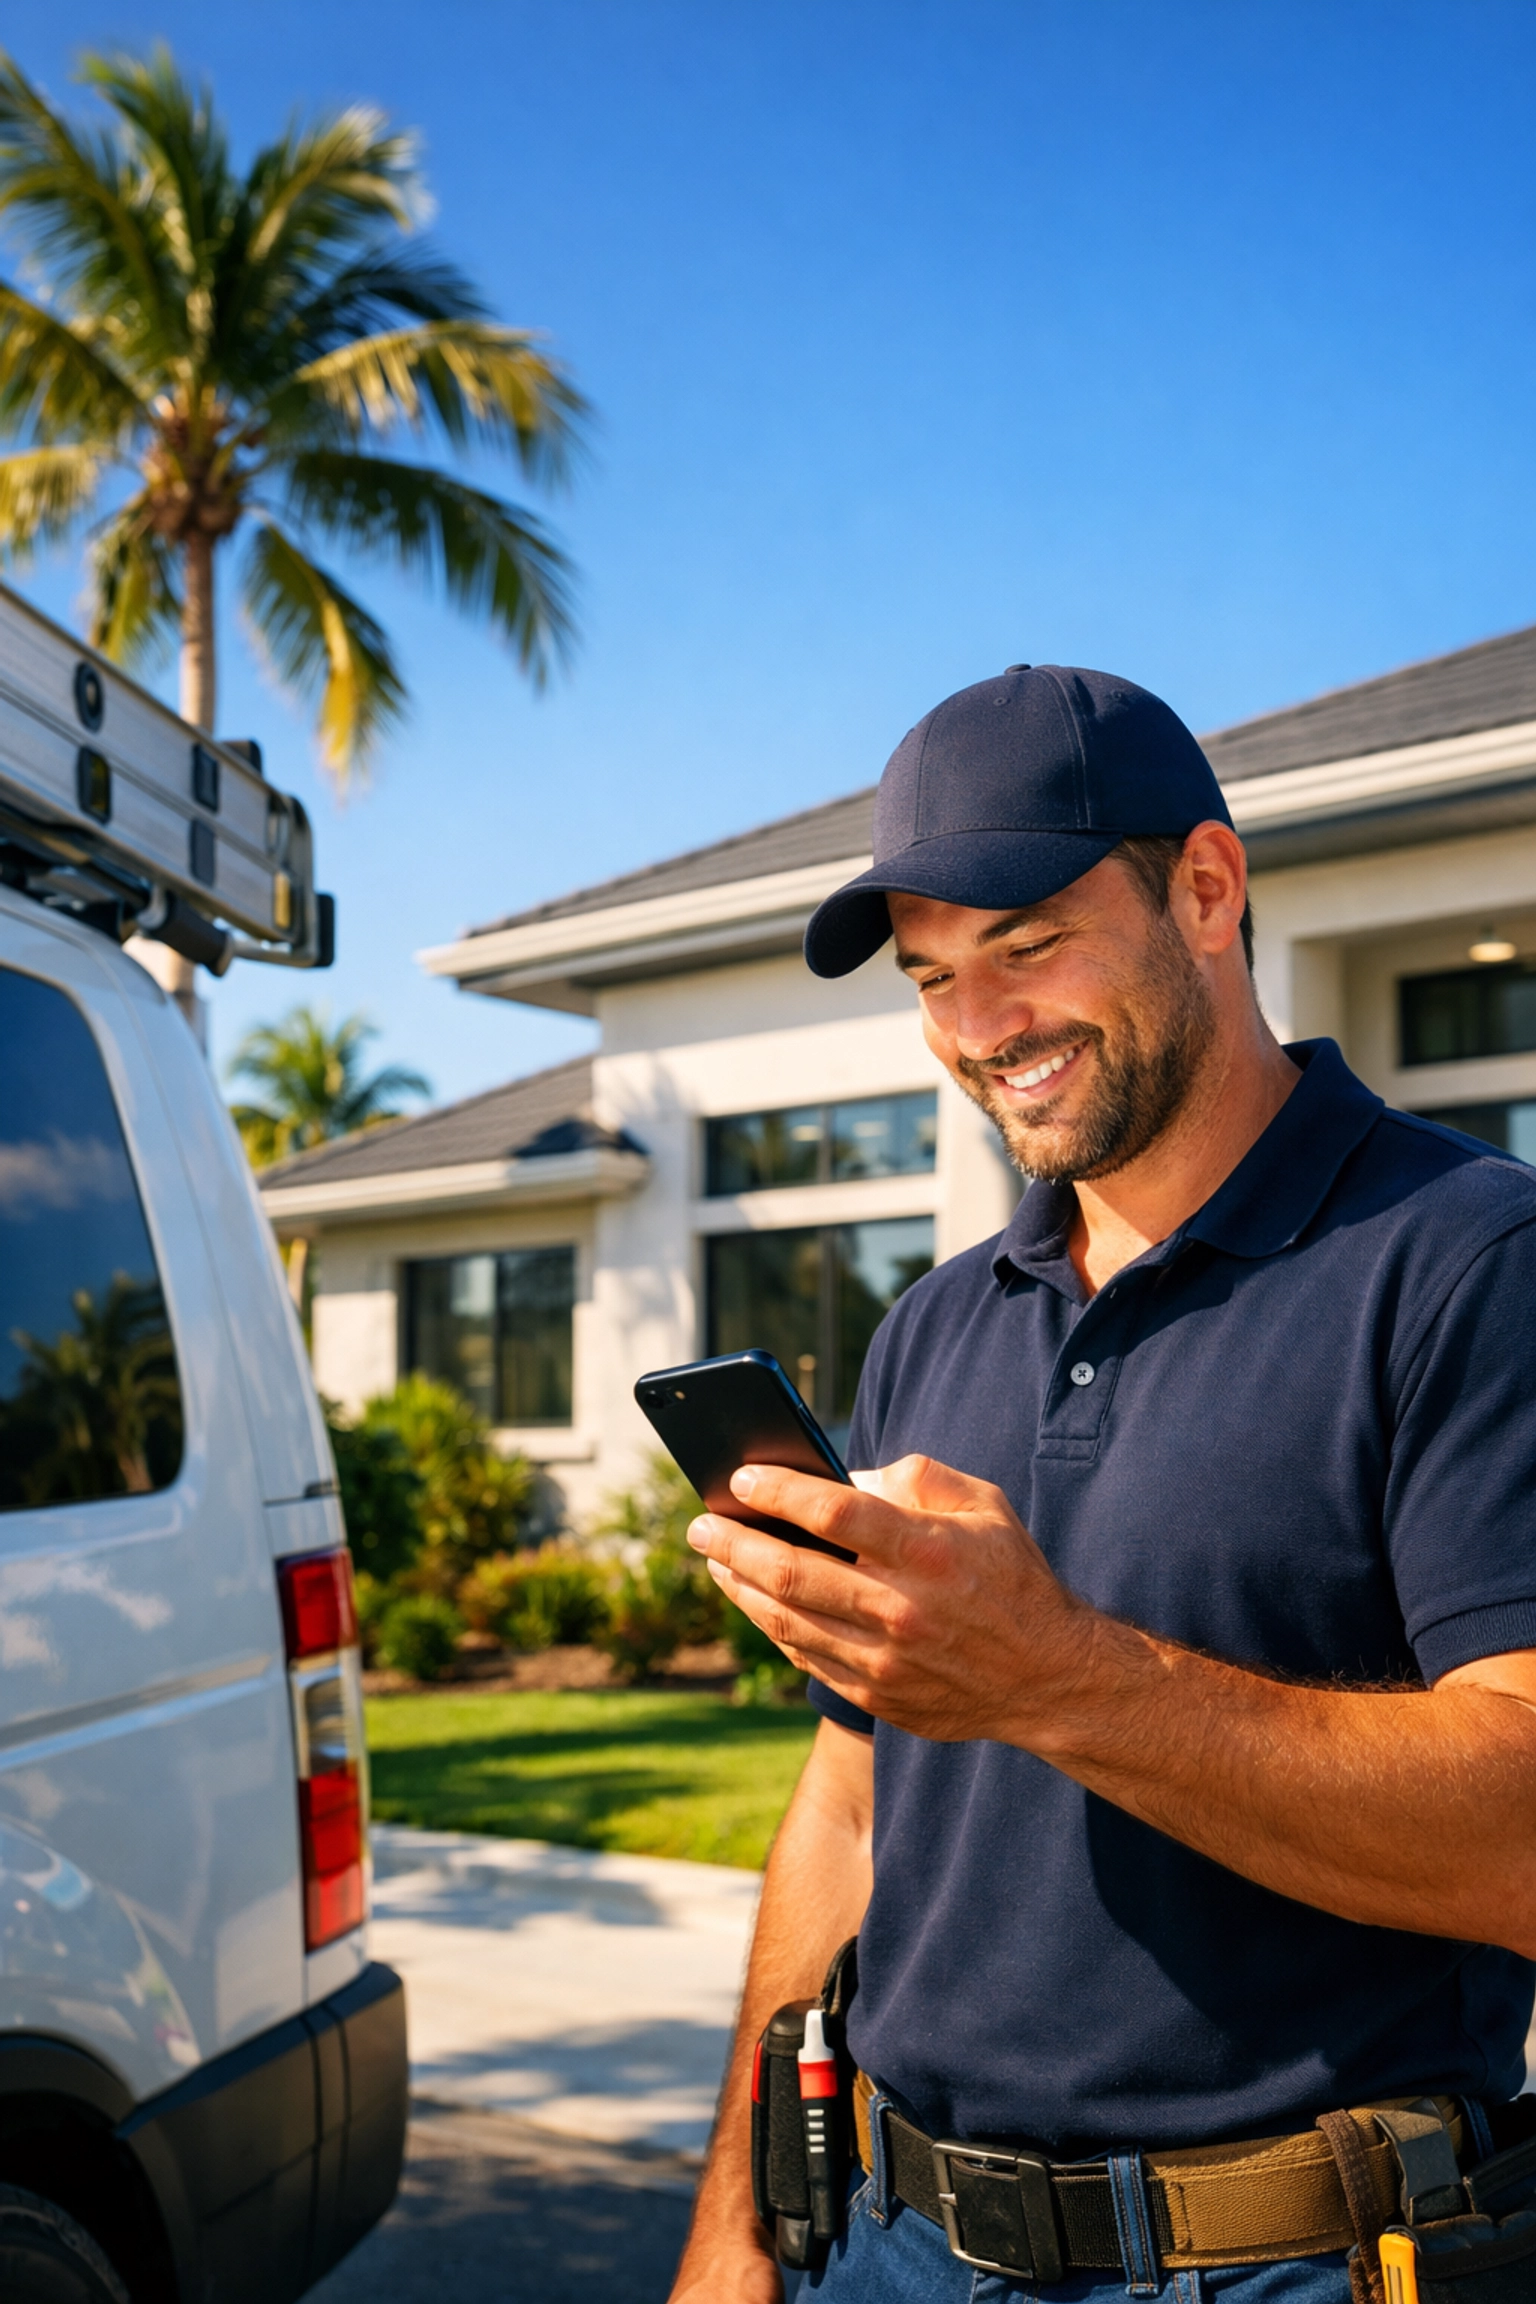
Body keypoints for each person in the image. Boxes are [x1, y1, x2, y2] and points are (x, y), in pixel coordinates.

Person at [664, 665, 1536, 2304]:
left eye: (1029, 945)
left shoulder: (1471, 1262)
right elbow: (849, 1807)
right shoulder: (934, 1325)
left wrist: (1059, 1679)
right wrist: (735, 2233)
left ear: (1207, 889)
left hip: (1293, 2259)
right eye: (933, 978)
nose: (980, 1030)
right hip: (891, 2244)